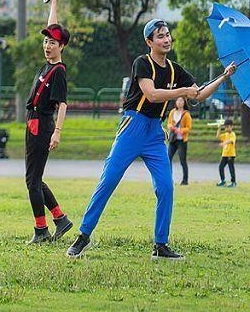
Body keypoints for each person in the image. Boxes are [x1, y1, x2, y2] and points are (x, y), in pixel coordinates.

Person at [67, 19, 237, 260]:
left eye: (168, 35)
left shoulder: (176, 70)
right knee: (109, 181)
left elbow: (198, 95)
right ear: (149, 42)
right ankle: (83, 236)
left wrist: (224, 76)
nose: (166, 39)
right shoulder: (142, 63)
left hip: (155, 133)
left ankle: (161, 245)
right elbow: (152, 94)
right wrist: (182, 92)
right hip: (132, 127)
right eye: (160, 36)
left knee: (166, 187)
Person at [23, 0, 72, 245]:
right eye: (45, 41)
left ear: (61, 46)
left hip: (42, 125)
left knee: (32, 181)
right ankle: (60, 219)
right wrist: (54, 0)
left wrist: (57, 132)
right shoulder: (48, 64)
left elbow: (62, 104)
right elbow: (51, 25)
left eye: (52, 42)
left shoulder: (59, 71)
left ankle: (41, 230)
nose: (47, 45)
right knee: (35, 178)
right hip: (33, 123)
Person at [166, 96, 192, 185]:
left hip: (182, 140)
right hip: (173, 139)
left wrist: (180, 130)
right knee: (168, 159)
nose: (180, 102)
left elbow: (188, 128)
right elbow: (169, 123)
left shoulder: (186, 114)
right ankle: (169, 179)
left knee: (182, 160)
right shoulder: (173, 112)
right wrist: (170, 127)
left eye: (181, 101)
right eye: (178, 100)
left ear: (184, 102)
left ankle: (185, 180)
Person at [216, 118, 237, 187]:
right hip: (224, 154)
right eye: (226, 127)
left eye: (228, 127)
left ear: (231, 127)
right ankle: (223, 180)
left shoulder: (232, 134)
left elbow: (231, 141)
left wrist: (224, 143)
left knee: (231, 168)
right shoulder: (226, 134)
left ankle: (233, 182)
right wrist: (219, 128)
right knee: (221, 167)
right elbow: (218, 136)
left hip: (230, 155)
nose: (227, 128)